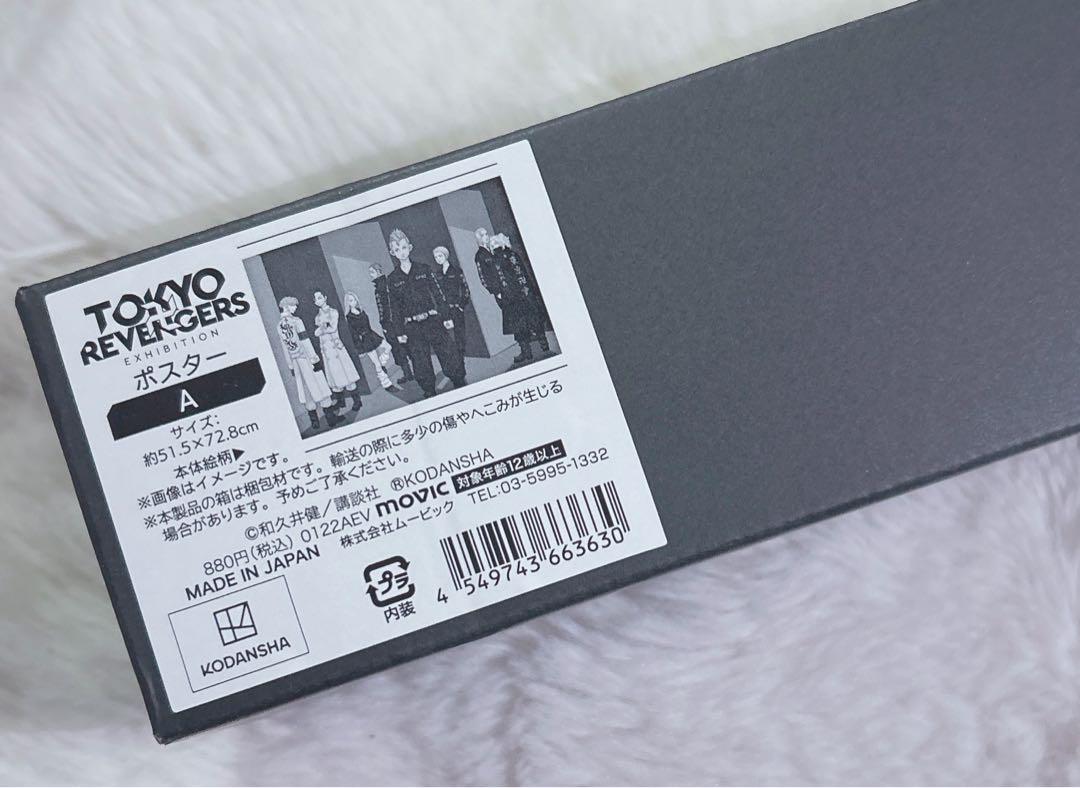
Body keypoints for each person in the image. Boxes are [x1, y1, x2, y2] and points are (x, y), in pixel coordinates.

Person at [384, 229, 466, 398]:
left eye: (404, 247)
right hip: (412, 326)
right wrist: (399, 332)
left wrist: (446, 316)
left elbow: (438, 294)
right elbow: (394, 308)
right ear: (392, 252)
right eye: (397, 249)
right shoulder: (392, 279)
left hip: (432, 320)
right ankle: (428, 388)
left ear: (410, 247)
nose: (401, 252)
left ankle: (458, 378)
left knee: (447, 351)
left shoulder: (424, 269)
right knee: (419, 359)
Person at [477, 228, 550, 364]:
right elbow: (522, 273)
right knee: (531, 318)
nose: (492, 246)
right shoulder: (512, 254)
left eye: (493, 243)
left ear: (500, 244)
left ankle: (527, 352)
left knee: (518, 324)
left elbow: (501, 277)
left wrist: (500, 293)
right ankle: (543, 346)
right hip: (523, 293)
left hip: (511, 296)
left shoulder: (498, 257)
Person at [276, 296, 339, 431]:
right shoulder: (297, 321)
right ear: (286, 306)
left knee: (306, 391)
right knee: (320, 387)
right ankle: (330, 418)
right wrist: (314, 359)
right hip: (307, 359)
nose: (295, 308)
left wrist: (290, 365)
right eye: (293, 305)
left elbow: (284, 348)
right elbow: (305, 341)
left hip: (296, 362)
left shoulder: (279, 326)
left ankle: (314, 422)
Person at [313, 290, 362, 414]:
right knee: (334, 377)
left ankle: (357, 400)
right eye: (315, 299)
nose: (318, 300)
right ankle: (341, 401)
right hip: (326, 350)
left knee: (346, 375)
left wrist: (321, 329)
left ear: (325, 297)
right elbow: (318, 332)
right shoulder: (317, 317)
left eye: (319, 297)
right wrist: (322, 328)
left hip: (336, 347)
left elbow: (333, 328)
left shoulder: (333, 312)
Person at [342, 291, 397, 391]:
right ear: (347, 303)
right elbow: (353, 334)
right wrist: (360, 349)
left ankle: (382, 362)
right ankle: (387, 384)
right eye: (350, 300)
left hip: (371, 335)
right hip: (364, 340)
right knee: (377, 364)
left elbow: (368, 325)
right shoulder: (349, 317)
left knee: (388, 347)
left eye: (354, 299)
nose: (353, 302)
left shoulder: (361, 311)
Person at [371, 264, 414, 385]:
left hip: (391, 323)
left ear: (378, 272)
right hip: (394, 322)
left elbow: (387, 308)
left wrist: (385, 323)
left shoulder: (382, 287)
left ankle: (410, 374)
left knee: (399, 348)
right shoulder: (383, 285)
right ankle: (409, 373)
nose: (371, 275)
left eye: (372, 272)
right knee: (401, 347)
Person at [432, 245, 471, 358]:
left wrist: (461, 305)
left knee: (459, 335)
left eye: (440, 256)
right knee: (447, 335)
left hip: (456, 308)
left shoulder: (456, 271)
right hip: (444, 309)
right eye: (436, 257)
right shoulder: (437, 274)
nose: (438, 259)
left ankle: (461, 357)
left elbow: (465, 289)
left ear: (446, 255)